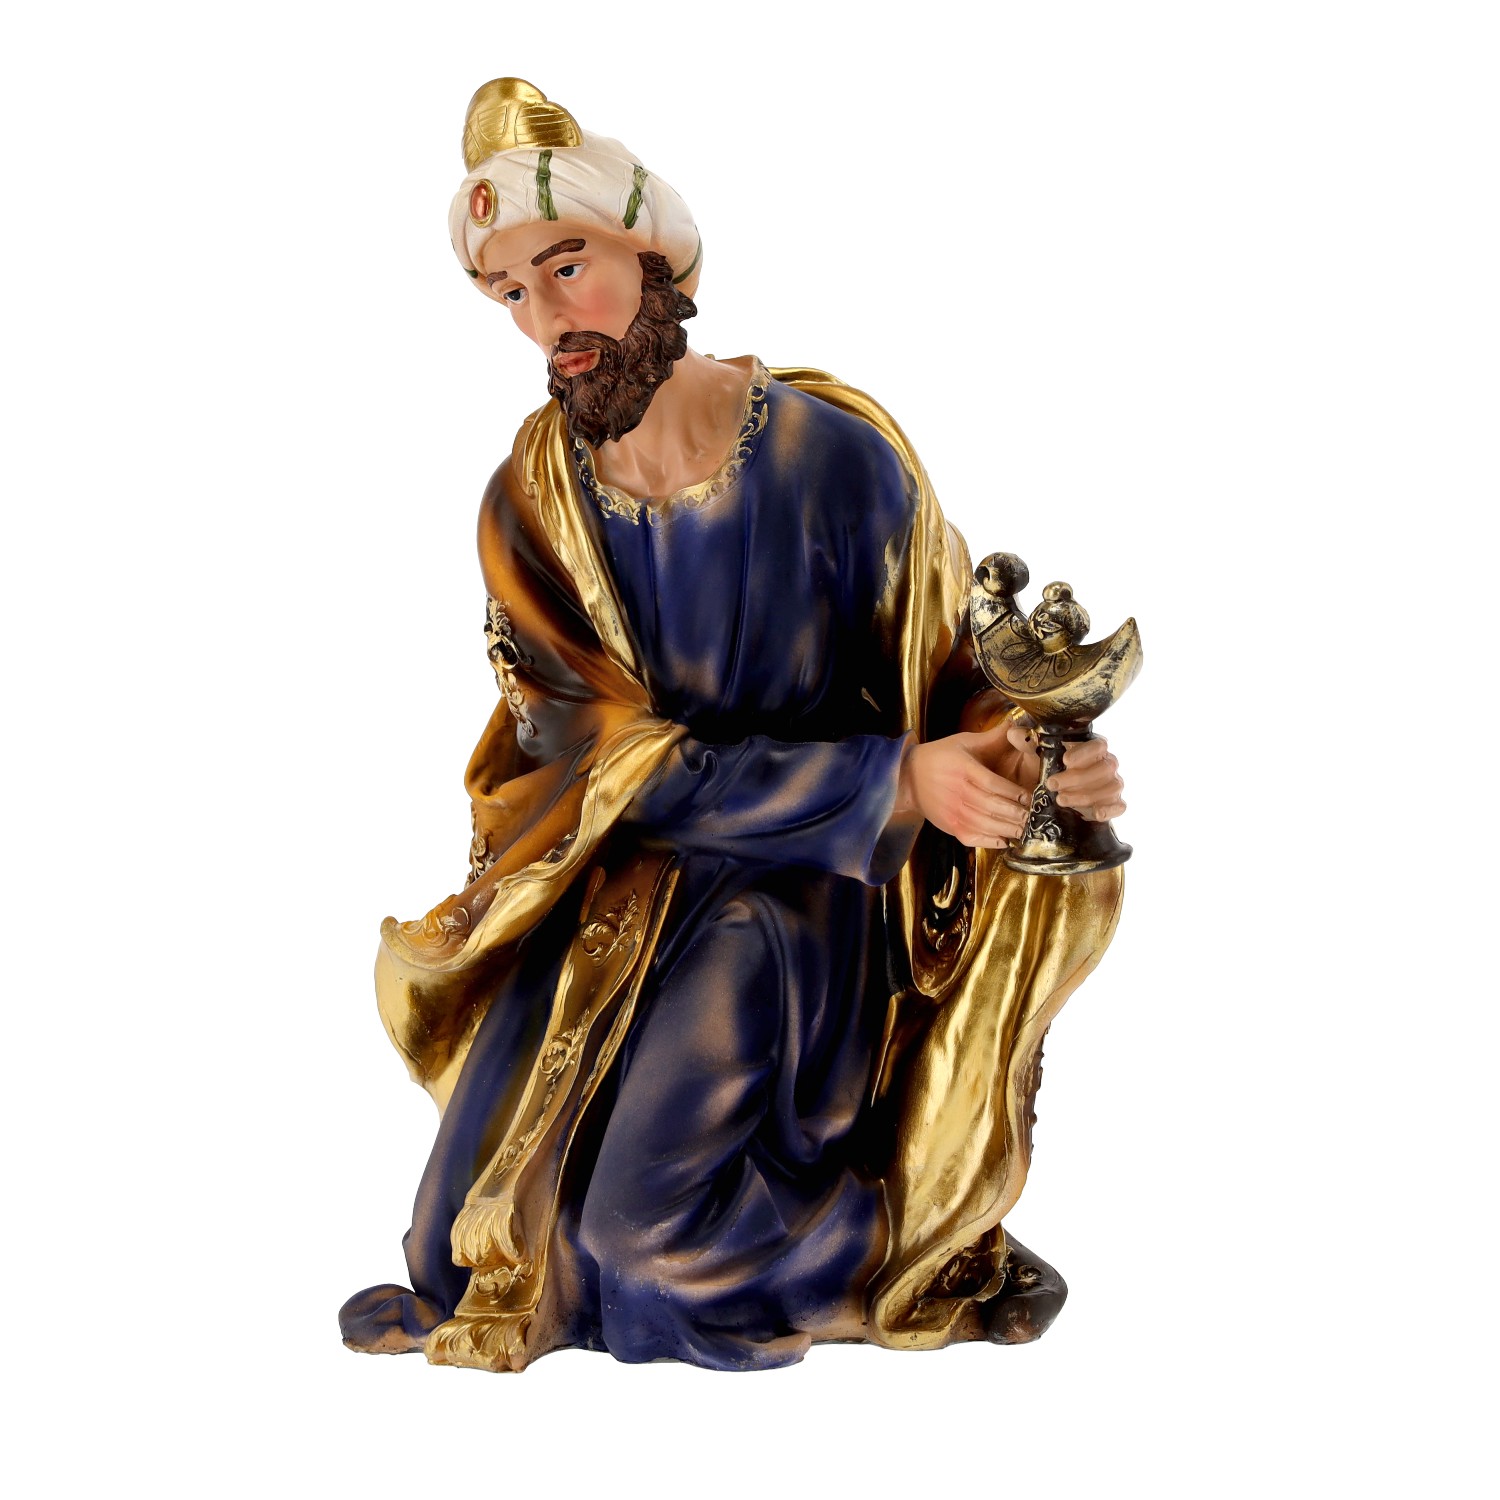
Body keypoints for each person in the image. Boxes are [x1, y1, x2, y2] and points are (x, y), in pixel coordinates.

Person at [340, 78, 1128, 1373]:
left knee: (645, 1247)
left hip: (800, 899)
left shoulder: (831, 459)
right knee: (473, 1248)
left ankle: (912, 1233)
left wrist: (1024, 759)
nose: (547, 320)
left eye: (567, 267)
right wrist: (893, 780)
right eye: (510, 292)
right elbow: (587, 763)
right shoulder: (532, 503)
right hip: (620, 895)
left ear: (652, 254)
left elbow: (943, 670)